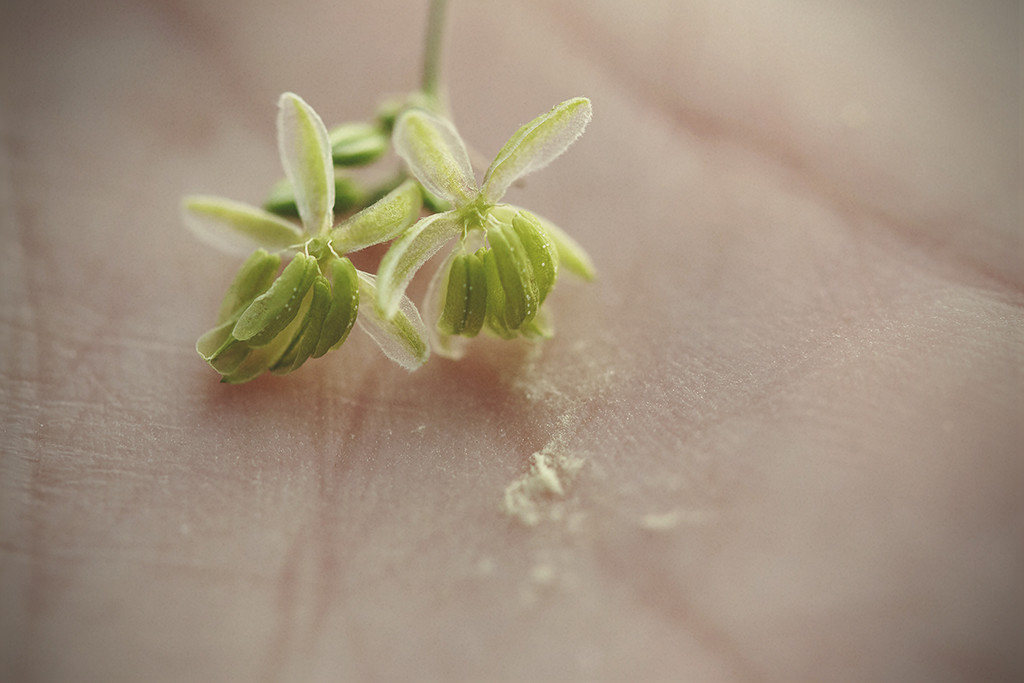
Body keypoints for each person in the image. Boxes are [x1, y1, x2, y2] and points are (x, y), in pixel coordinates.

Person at [2, 0, 1019, 679]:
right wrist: (373, 285)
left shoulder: (422, 217)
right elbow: (387, 291)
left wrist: (416, 287)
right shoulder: (370, 226)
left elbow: (404, 288)